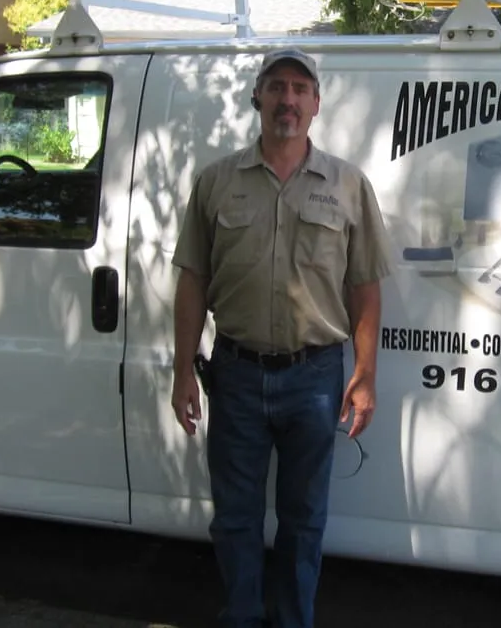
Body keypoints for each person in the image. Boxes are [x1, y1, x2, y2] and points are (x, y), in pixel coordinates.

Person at [168, 47, 393, 628]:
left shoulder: (348, 185)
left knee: (304, 521)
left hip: (315, 379)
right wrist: (182, 371)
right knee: (234, 519)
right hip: (235, 375)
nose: (287, 99)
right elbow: (192, 280)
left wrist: (365, 375)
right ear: (257, 98)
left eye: (299, 88)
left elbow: (365, 287)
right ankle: (242, 618)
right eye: (276, 87)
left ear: (316, 103)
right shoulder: (217, 182)